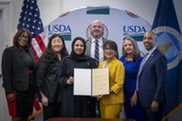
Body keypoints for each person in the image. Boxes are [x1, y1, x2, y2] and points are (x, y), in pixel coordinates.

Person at [1, 28, 37, 121]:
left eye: (27, 37)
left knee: (26, 116)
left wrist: (36, 89)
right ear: (17, 37)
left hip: (29, 90)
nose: (24, 38)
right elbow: (6, 73)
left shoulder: (31, 51)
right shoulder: (9, 51)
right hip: (16, 91)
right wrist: (9, 92)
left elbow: (34, 70)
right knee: (17, 117)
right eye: (22, 36)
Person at [132, 31, 167, 121]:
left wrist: (156, 100)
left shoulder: (159, 57)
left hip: (153, 101)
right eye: (145, 38)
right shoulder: (146, 56)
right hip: (144, 100)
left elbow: (161, 80)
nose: (146, 40)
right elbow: (141, 77)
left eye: (149, 38)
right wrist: (137, 93)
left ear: (156, 40)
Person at [59, 37, 98, 117]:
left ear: (84, 47)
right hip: (70, 97)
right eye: (77, 45)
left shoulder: (90, 61)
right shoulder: (66, 60)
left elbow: (96, 79)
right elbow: (60, 79)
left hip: (86, 98)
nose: (79, 48)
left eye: (81, 46)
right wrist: (68, 81)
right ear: (73, 46)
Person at [36, 34, 68, 121]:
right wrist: (43, 96)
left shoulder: (66, 57)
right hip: (50, 97)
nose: (57, 44)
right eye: (54, 42)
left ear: (63, 43)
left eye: (59, 41)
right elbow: (40, 79)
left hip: (63, 97)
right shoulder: (44, 59)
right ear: (50, 44)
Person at [98, 40, 125, 119]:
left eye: (111, 49)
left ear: (115, 51)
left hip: (113, 101)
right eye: (106, 48)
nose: (108, 51)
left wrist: (106, 91)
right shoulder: (101, 64)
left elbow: (119, 83)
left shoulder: (119, 64)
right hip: (102, 100)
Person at [120, 37, 145, 121]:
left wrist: (135, 94)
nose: (128, 47)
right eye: (125, 45)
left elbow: (141, 79)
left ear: (134, 46)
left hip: (134, 93)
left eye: (130, 45)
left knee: (136, 116)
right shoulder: (122, 59)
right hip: (123, 93)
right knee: (128, 116)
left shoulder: (140, 60)